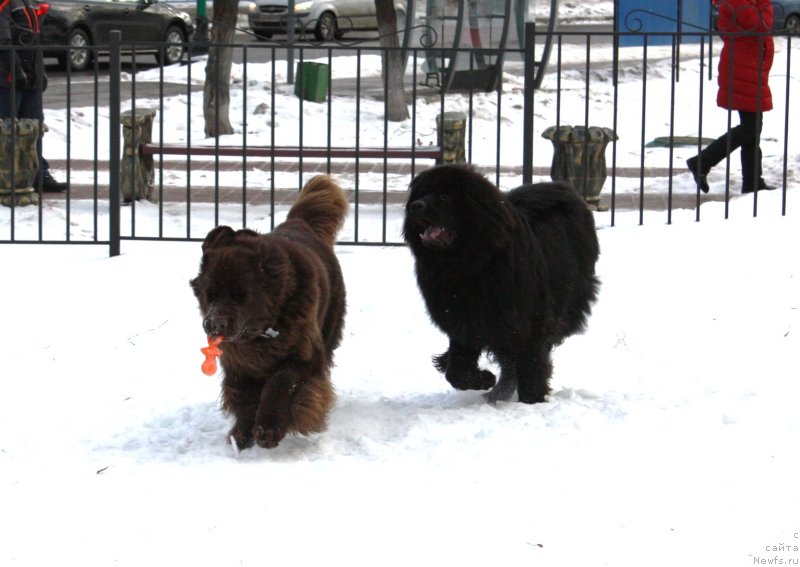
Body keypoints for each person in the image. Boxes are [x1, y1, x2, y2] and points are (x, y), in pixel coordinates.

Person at [687, 0, 776, 195]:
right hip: (744, 67)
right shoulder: (739, 1)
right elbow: (761, 24)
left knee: (753, 126)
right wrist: (764, 4)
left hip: (750, 66)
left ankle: (752, 181)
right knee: (750, 126)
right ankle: (702, 162)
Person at [0, 0, 67, 192]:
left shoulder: (32, 3)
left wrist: (41, 71)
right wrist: (15, 69)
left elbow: (34, 40)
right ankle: (7, 175)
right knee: (7, 128)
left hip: (31, 76)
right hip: (8, 77)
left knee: (34, 128)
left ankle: (38, 173)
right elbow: (3, 41)